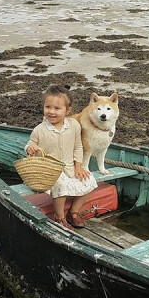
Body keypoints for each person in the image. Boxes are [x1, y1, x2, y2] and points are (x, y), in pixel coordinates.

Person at [26, 84, 97, 230]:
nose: (51, 112)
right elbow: (30, 144)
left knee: (89, 180)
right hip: (50, 169)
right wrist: (30, 148)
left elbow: (78, 146)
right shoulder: (39, 130)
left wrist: (79, 167)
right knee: (60, 185)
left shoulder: (74, 126)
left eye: (57, 108)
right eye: (47, 107)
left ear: (67, 110)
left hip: (70, 166)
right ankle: (59, 217)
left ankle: (74, 212)